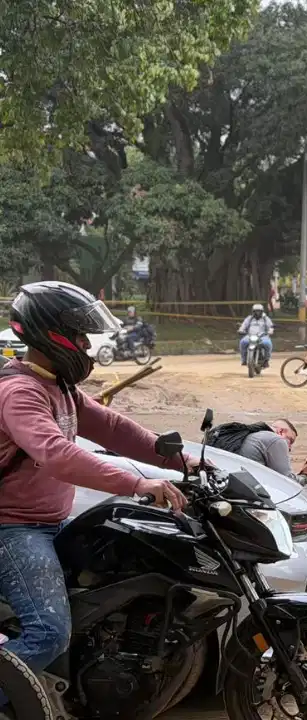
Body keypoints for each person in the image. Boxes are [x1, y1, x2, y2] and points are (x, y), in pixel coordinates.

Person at [0, 281, 191, 711]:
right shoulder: (20, 391)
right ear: (51, 333)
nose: (87, 346)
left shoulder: (59, 386)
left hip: (50, 522)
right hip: (12, 528)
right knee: (48, 631)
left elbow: (114, 428)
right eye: (80, 336)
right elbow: (56, 455)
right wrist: (137, 483)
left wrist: (184, 461)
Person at [233, 419, 307, 492]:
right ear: (281, 431)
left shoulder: (254, 435)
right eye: (290, 440)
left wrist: (303, 473)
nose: (290, 447)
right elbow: (287, 484)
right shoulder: (276, 439)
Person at [238, 303, 274, 367]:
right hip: (250, 336)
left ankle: (266, 360)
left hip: (263, 336)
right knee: (242, 342)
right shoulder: (249, 318)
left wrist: (270, 331)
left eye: (259, 311)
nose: (257, 313)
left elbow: (270, 326)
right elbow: (244, 325)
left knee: (268, 344)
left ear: (262, 311)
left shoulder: (265, 318)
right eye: (256, 311)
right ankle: (244, 359)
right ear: (253, 312)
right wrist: (241, 330)